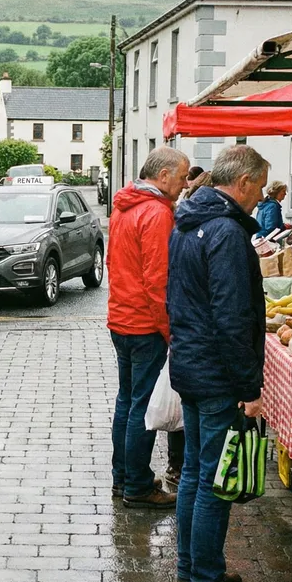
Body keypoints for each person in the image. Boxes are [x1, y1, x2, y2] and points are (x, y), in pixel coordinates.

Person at [167, 145, 268, 582]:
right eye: (259, 187)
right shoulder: (226, 231)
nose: (260, 197)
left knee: (194, 472)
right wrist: (249, 388)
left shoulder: (187, 221)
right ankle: (205, 577)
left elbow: (178, 297)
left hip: (190, 364)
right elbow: (232, 317)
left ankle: (190, 569)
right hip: (215, 373)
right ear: (242, 182)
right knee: (212, 481)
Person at [106, 145, 189, 509]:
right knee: (141, 405)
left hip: (122, 318)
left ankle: (123, 477)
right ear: (164, 175)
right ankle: (138, 486)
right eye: (182, 177)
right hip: (144, 324)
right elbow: (159, 280)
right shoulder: (156, 213)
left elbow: (114, 264)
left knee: (127, 400)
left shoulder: (123, 207)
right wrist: (171, 331)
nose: (185, 184)